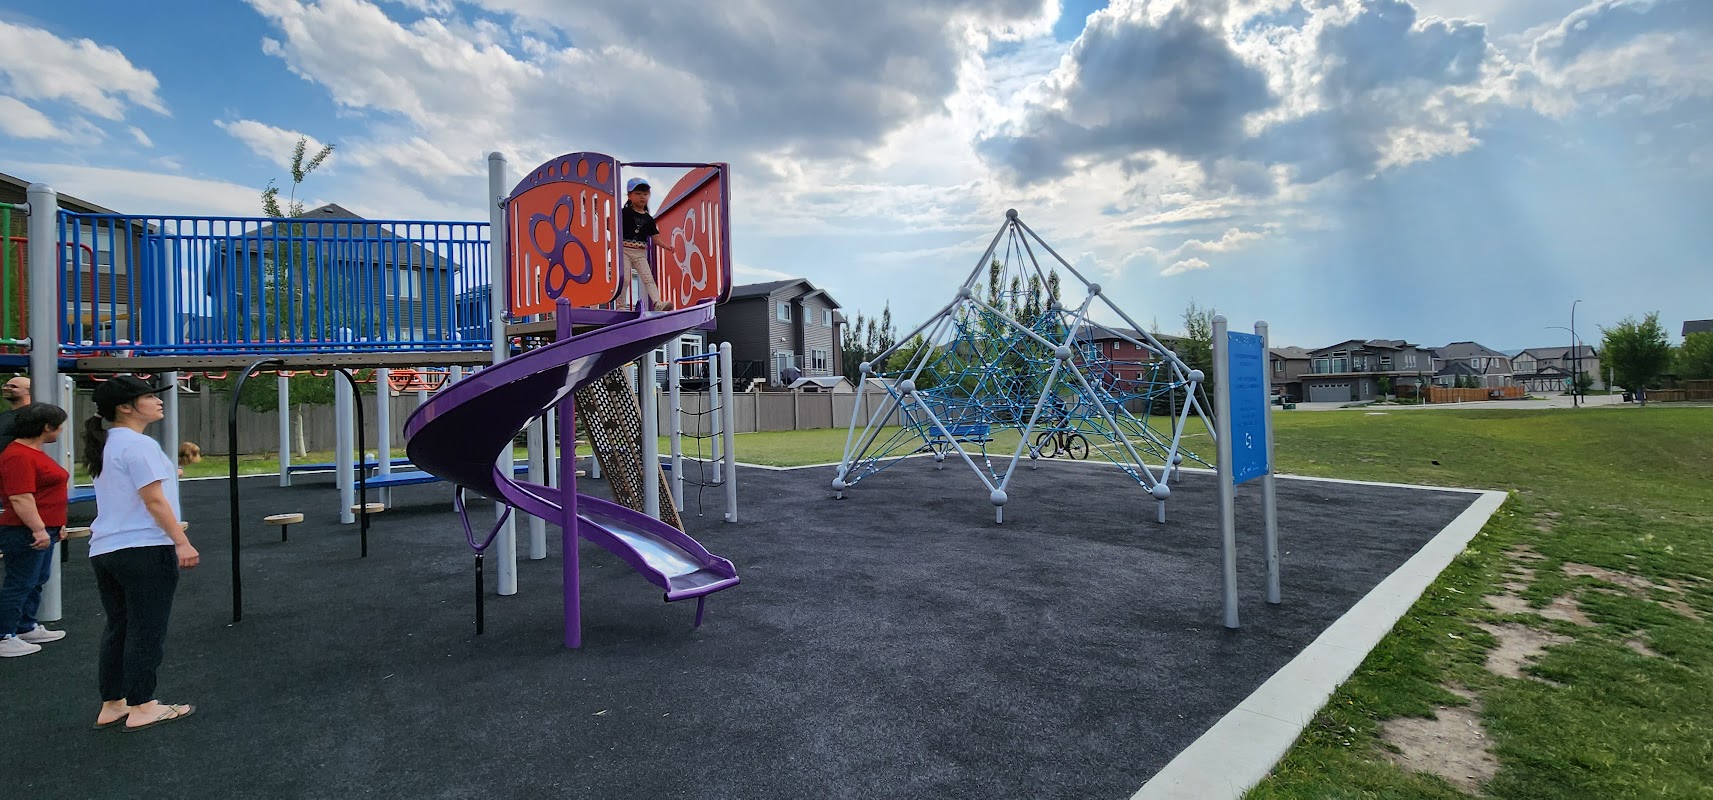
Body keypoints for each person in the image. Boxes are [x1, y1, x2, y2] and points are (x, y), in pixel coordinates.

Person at [83, 376, 198, 731]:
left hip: (107, 549)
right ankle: (143, 705)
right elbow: (153, 500)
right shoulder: (138, 444)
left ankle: (114, 703)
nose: (159, 401)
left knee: (120, 625)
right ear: (125, 406)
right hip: (144, 549)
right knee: (146, 628)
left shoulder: (109, 444)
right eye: (149, 396)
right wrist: (181, 540)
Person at [0, 403, 71, 658]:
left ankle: (25, 625)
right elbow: (20, 497)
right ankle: (4, 634)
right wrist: (39, 529)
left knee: (36, 579)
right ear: (46, 427)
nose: (61, 431)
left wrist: (56, 524)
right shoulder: (18, 455)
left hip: (45, 527)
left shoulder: (33, 452)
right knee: (20, 582)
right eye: (58, 426)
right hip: (24, 529)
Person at [620, 176, 677, 312]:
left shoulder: (649, 219)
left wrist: (666, 246)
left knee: (648, 278)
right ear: (629, 196)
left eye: (645, 194)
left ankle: (658, 303)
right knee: (625, 278)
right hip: (624, 250)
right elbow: (613, 225)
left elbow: (656, 238)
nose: (642, 197)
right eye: (638, 194)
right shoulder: (624, 213)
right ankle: (621, 305)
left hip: (640, 252)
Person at [0, 375, 32, 451]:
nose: (5, 388)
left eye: (13, 386)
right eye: (5, 385)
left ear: (29, 391)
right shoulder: (4, 415)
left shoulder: (32, 415)